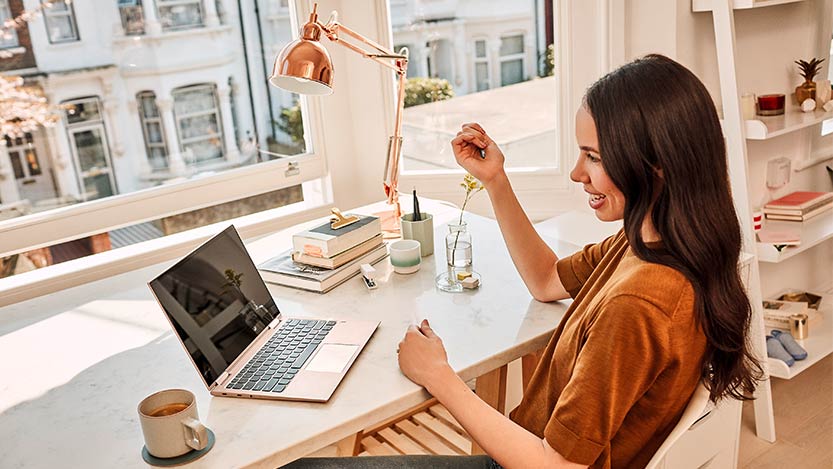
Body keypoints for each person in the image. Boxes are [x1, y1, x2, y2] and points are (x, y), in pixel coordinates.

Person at [284, 54, 762, 469]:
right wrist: (496, 180)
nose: (578, 173)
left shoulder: (640, 304)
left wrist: (440, 377)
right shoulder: (653, 244)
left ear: (656, 164)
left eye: (593, 157)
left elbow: (557, 465)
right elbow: (547, 279)